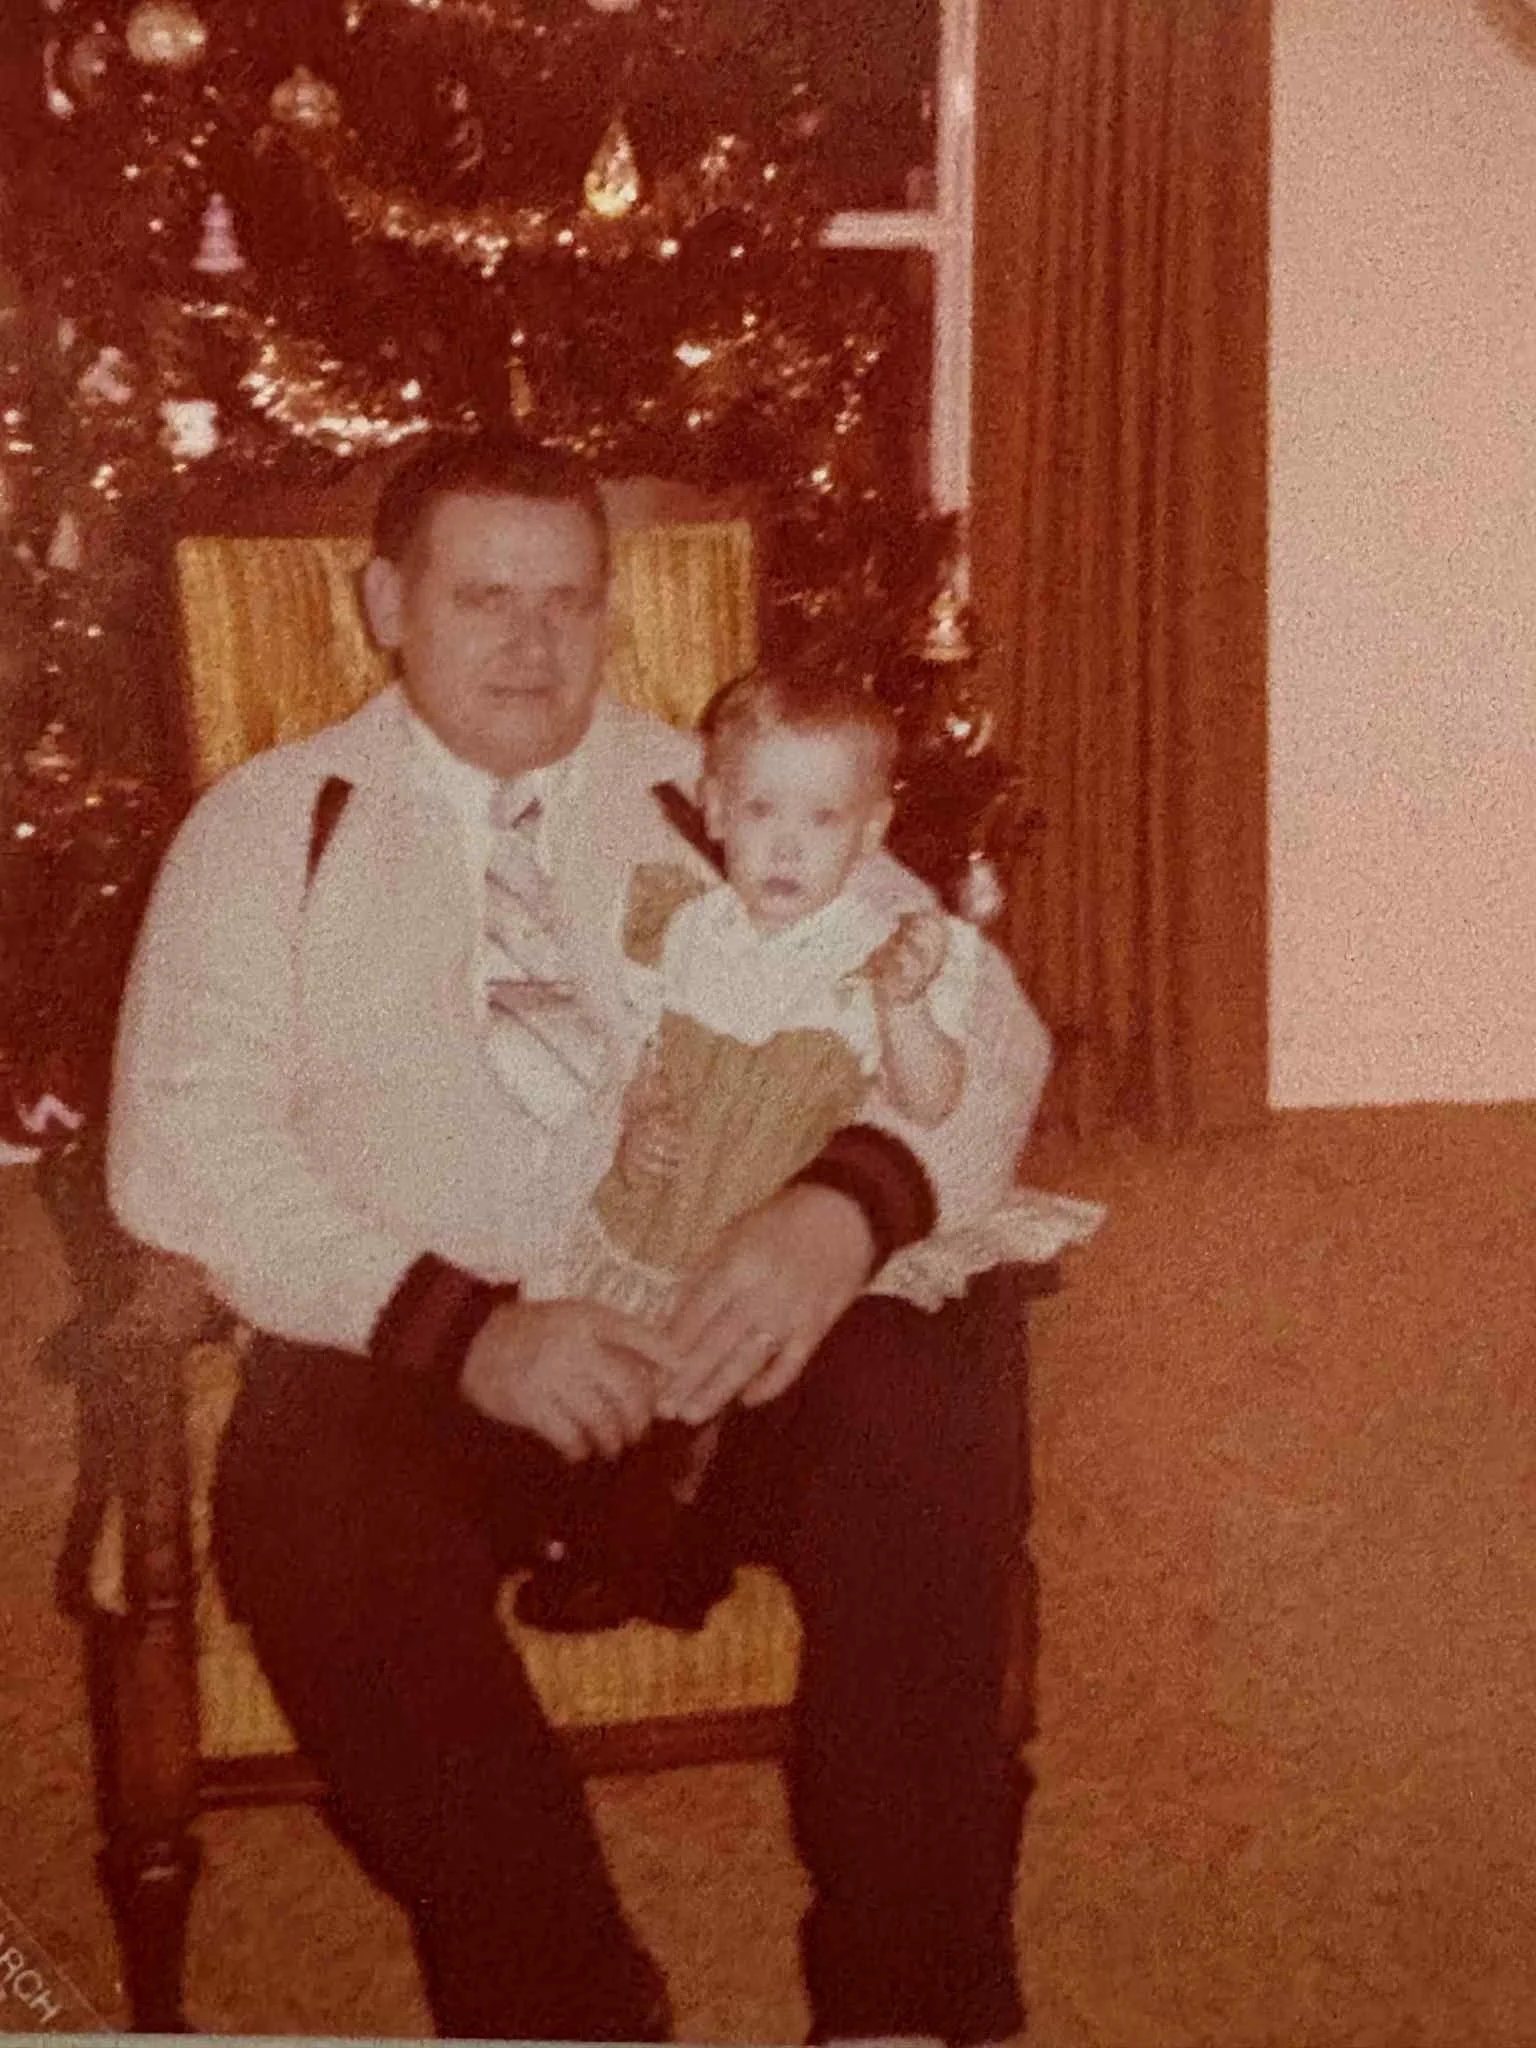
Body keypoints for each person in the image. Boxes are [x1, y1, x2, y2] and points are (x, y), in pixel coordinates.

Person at [108, 430, 1056, 2046]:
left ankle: (900, 1998)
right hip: (420, 1353)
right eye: (484, 597)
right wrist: (467, 1328)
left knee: (921, 1407)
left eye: (569, 598)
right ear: (385, 600)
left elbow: (990, 1029)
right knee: (302, 1511)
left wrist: (843, 1208)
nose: (535, 642)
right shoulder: (273, 829)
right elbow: (185, 1153)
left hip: (710, 1320)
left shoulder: (719, 797)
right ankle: (563, 1993)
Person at [512, 661, 1023, 1634]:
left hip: (777, 1216)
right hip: (671, 1210)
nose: (786, 846)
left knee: (733, 1405)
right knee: (621, 1378)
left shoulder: (878, 949)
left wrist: (905, 1010)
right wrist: (643, 1123)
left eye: (823, 821)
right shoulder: (686, 928)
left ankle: (679, 1554)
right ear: (713, 808)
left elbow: (935, 1094)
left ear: (871, 829)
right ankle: (601, 1531)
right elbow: (652, 1056)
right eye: (759, 810)